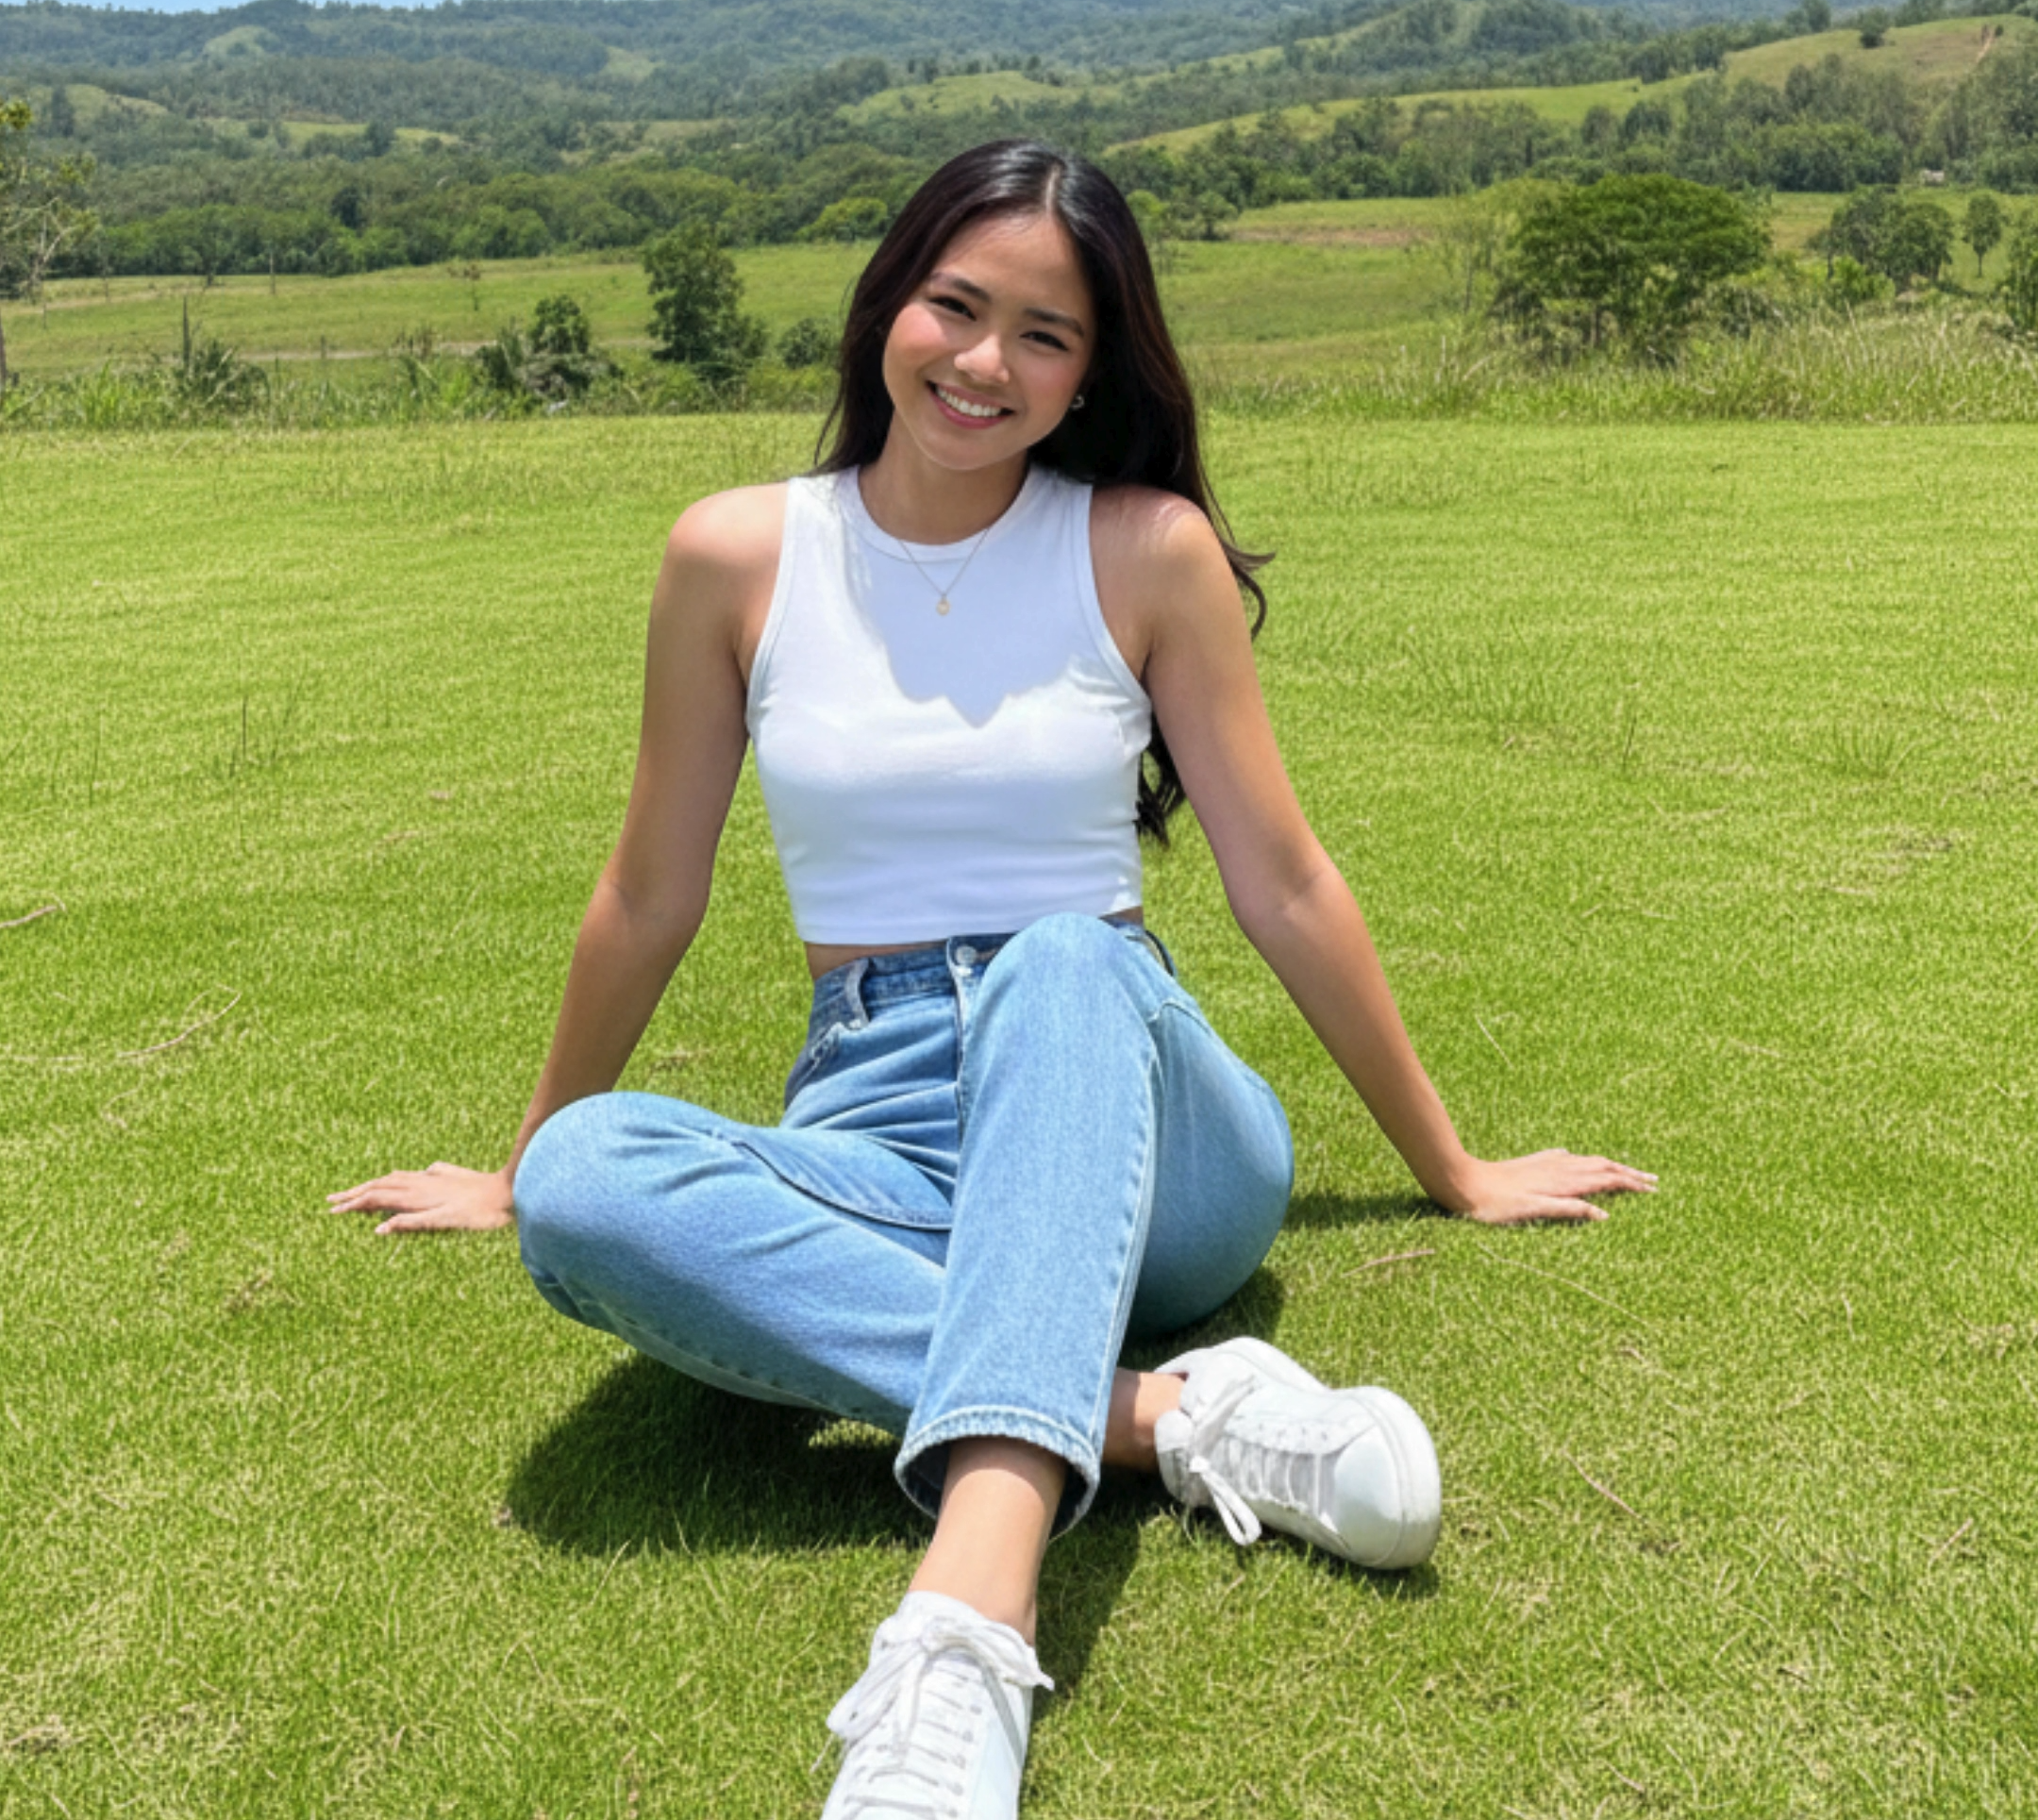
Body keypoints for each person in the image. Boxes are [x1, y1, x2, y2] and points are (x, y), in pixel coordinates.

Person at [330, 139, 1653, 1819]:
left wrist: (1451, 1167)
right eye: (957, 306)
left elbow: (1285, 880)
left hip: (1147, 1117)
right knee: (595, 1188)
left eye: (1046, 335)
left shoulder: (1144, 547)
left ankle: (963, 1625)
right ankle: (1170, 1422)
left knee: (1057, 952)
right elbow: (648, 892)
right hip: (880, 1123)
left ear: (1094, 372)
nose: (984, 362)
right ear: (889, 299)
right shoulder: (737, 556)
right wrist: (522, 1168)